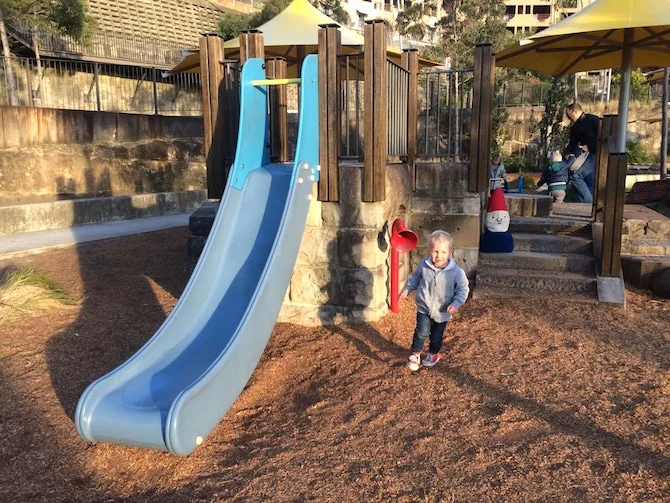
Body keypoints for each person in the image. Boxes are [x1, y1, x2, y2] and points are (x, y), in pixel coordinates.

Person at [399, 230, 470, 371]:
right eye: (435, 251)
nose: (439, 256)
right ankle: (415, 354)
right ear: (429, 252)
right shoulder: (424, 266)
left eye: (443, 252)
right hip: (424, 307)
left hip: (443, 310)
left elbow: (463, 289)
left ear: (450, 253)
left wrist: (456, 303)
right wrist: (407, 290)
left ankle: (433, 354)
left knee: (436, 336)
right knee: (421, 331)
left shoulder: (456, 272)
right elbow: (415, 278)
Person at [565, 102, 599, 203]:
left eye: (569, 115)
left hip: (595, 154)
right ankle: (590, 205)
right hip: (587, 155)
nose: (568, 118)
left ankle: (587, 204)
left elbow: (603, 136)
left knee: (576, 176)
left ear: (574, 111)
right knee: (589, 182)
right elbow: (572, 143)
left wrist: (589, 146)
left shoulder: (593, 120)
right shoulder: (575, 127)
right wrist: (568, 153)